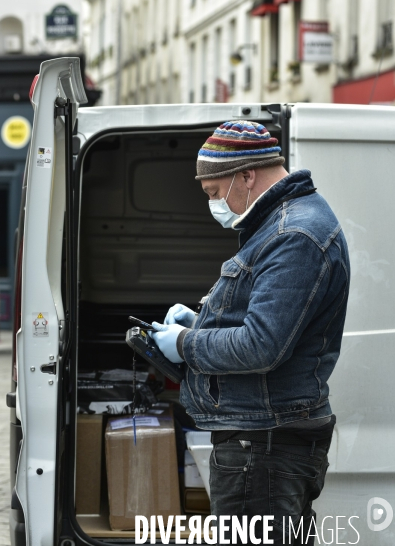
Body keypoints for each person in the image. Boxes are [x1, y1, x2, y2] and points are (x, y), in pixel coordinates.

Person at [150, 120, 350, 545]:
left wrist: (186, 344)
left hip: (263, 447)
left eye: (214, 192)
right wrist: (200, 322)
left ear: (246, 175)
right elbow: (259, 318)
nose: (214, 204)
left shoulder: (293, 234)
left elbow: (261, 345)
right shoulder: (281, 223)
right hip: (264, 441)